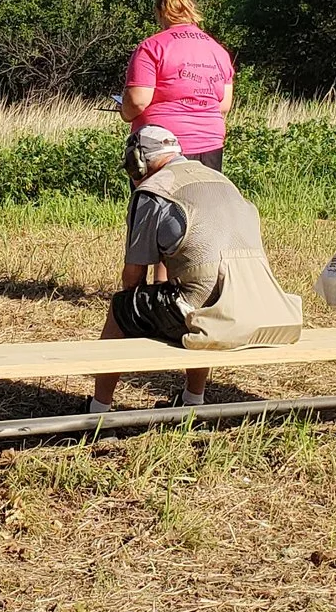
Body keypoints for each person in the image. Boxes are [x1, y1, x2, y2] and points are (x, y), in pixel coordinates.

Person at [90, 126, 304, 413]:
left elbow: (133, 279)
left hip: (213, 316)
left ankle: (99, 409)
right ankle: (193, 399)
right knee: (200, 291)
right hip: (268, 309)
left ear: (138, 160)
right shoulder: (220, 179)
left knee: (121, 307)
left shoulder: (153, 191)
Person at [123, 0, 235, 171]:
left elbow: (137, 101)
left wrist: (124, 112)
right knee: (203, 198)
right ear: (192, 7)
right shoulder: (218, 51)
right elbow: (223, 106)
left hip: (160, 148)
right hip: (210, 146)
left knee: (161, 200)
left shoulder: (151, 47)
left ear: (159, 12)